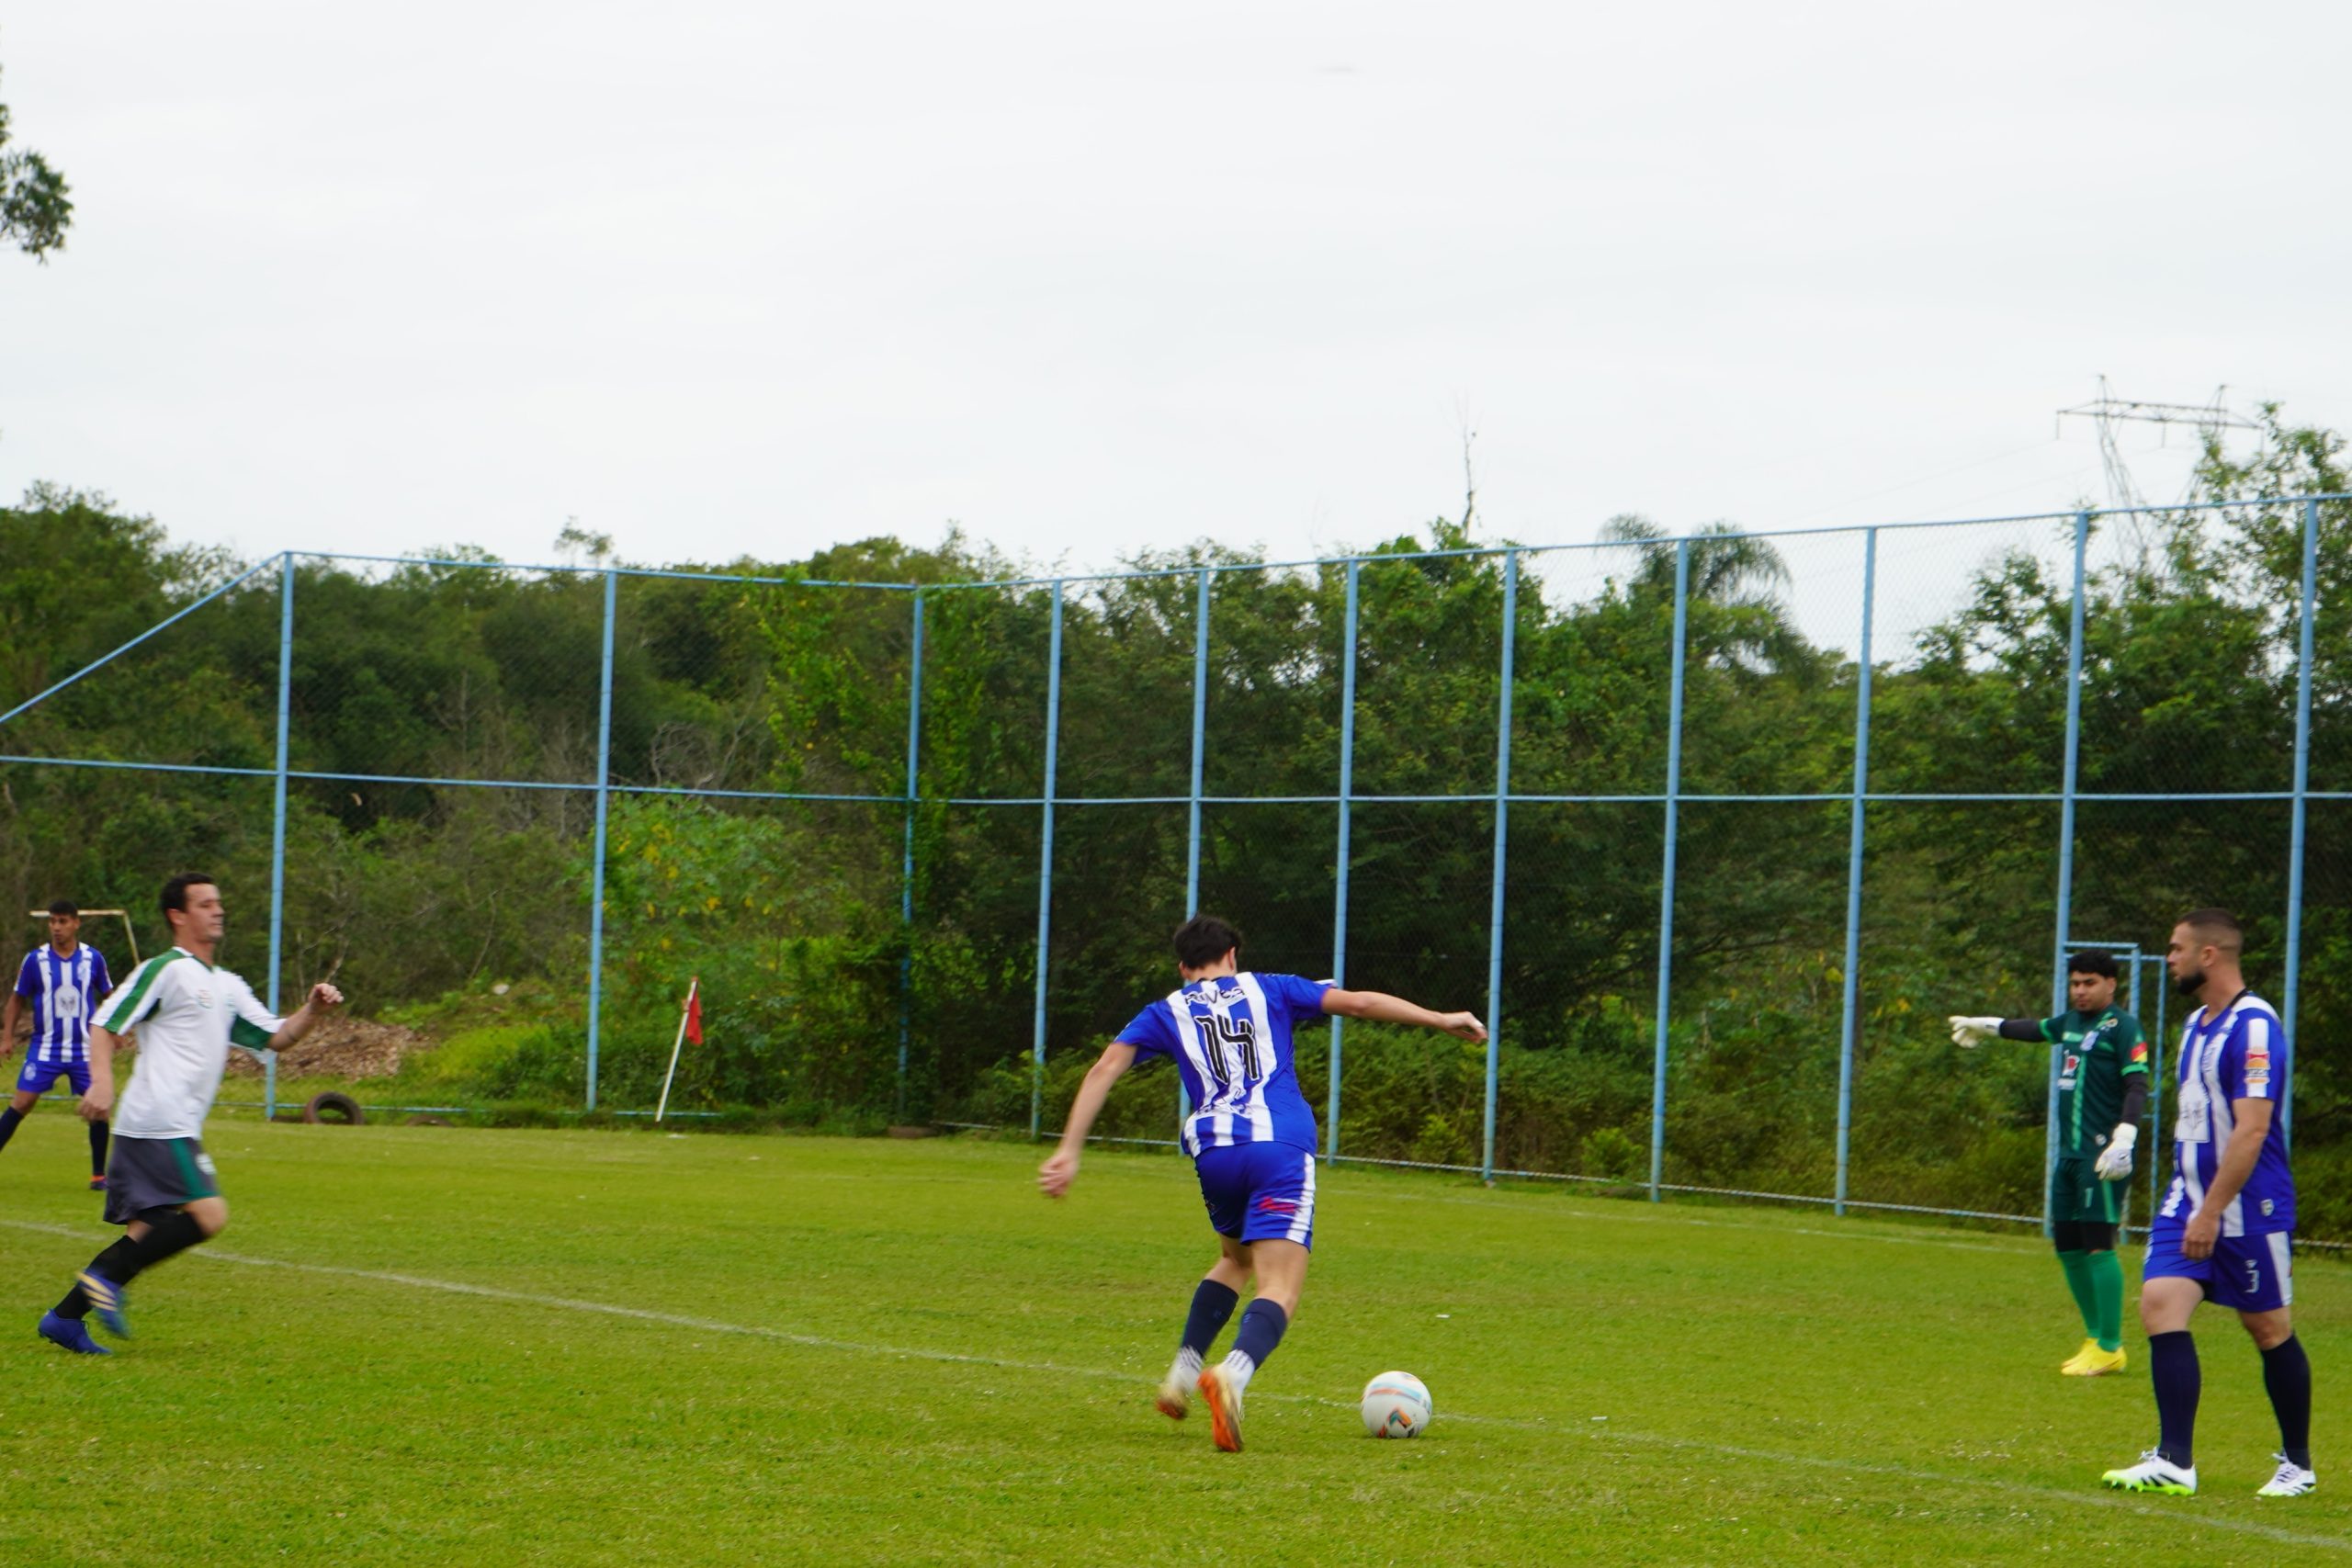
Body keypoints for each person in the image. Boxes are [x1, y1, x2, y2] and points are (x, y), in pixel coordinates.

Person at [1038, 914, 1485, 1452]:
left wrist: (1068, 1151)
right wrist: (1440, 1018)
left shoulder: (1167, 1010)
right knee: (1281, 1287)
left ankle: (1183, 1371)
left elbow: (1103, 1069)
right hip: (1278, 1147)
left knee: (1235, 1259)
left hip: (1214, 1152)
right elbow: (1361, 1003)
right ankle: (1233, 1373)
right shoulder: (1270, 987)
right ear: (1232, 955)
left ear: (1184, 967)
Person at [37, 874, 342, 1357]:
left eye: (218, 902)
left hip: (170, 1124)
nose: (217, 910)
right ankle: (102, 1281)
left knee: (148, 1230)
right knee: (209, 1214)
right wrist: (102, 1081)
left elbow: (275, 1037)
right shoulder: (167, 970)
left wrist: (312, 1010)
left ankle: (64, 1318)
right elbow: (104, 1022)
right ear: (178, 915)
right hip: (159, 1119)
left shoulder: (225, 985)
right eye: (204, 904)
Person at [2099, 908, 2312, 1498]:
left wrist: (2213, 1210)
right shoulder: (2195, 1024)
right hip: (2185, 1199)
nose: (2168, 957)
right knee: (2159, 1303)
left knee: (2267, 1328)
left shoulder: (2256, 1028)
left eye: (2176, 948)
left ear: (2209, 955)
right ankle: (2175, 1460)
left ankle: (2298, 1463)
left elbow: (2251, 1130)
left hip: (2248, 1208)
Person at [1950, 949, 2148, 1375]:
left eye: (2089, 982)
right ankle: (2095, 1339)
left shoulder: (2123, 1026)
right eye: (2075, 982)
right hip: (2069, 1157)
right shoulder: (2071, 1023)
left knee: (2099, 1244)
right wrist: (1985, 1026)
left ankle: (2112, 1344)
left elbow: (2136, 1085)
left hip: (2102, 1156)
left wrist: (2125, 1136)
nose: (2080, 990)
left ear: (2111, 985)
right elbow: (2034, 1029)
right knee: (2068, 1248)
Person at [0, 899, 114, 1190]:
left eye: (62, 921)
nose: (56, 927)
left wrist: (115, 1030)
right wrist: (6, 1037)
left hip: (84, 1050)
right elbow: (16, 1000)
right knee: (22, 1103)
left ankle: (99, 1176)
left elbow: (110, 997)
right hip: (45, 1048)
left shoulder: (93, 959)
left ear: (76, 923)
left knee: (98, 1109)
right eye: (53, 921)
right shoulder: (35, 961)